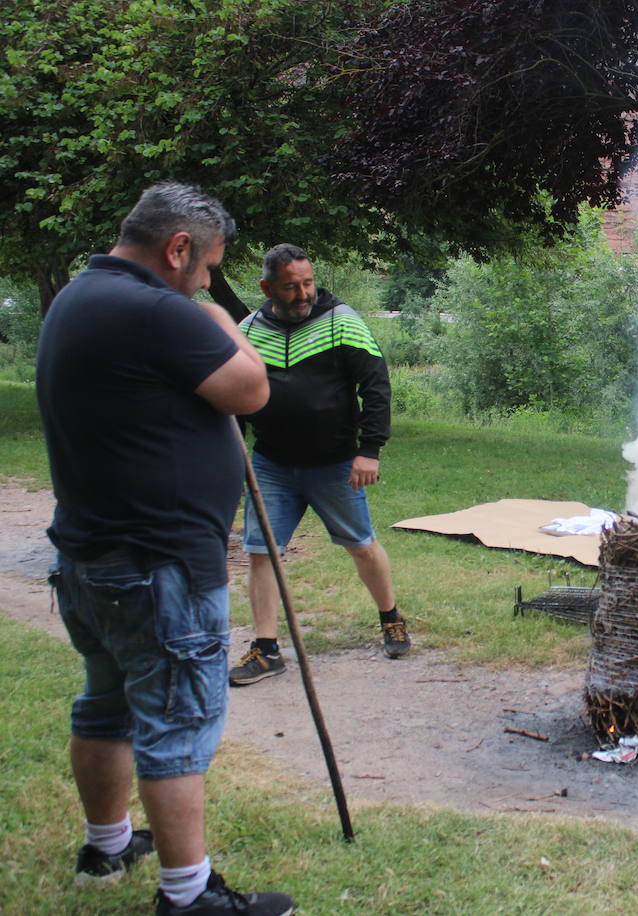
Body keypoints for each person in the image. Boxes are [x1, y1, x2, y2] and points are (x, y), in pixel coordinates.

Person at [37, 183, 294, 914]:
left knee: (107, 704)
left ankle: (107, 844)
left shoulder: (80, 296)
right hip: (157, 565)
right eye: (209, 266)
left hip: (93, 554)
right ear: (177, 250)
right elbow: (251, 390)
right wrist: (214, 313)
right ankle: (188, 897)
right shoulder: (154, 310)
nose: (210, 281)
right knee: (177, 722)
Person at [229, 244, 410, 686]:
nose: (303, 293)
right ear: (267, 287)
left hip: (334, 465)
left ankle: (390, 616)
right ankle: (267, 649)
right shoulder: (249, 329)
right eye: (291, 286)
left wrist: (370, 449)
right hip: (271, 465)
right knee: (262, 553)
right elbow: (232, 394)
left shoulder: (341, 321)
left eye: (307, 283)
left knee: (361, 544)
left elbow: (376, 384)